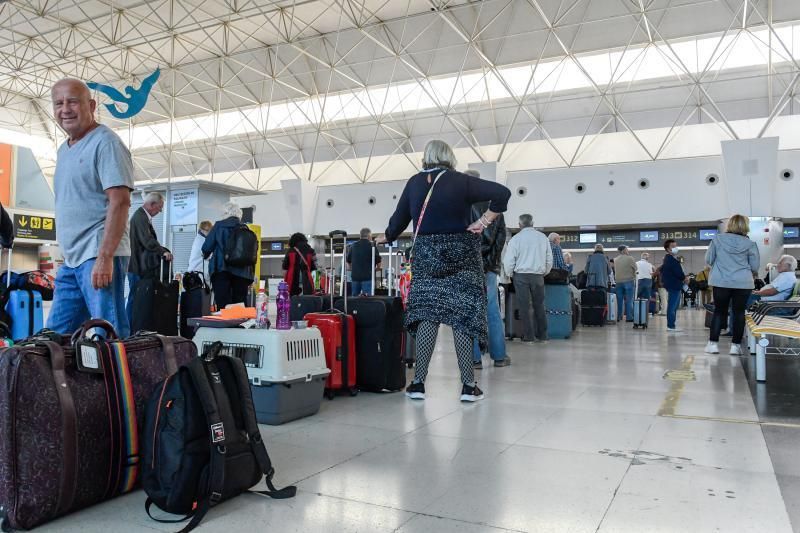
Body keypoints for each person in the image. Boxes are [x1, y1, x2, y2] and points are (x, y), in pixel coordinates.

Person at [382, 139, 511, 402]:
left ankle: (418, 384)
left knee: (428, 315)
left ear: (426, 157)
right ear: (448, 156)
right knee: (462, 317)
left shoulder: (414, 183)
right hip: (461, 255)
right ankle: (467, 387)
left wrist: (386, 236)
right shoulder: (460, 181)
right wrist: (483, 221)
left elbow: (396, 224)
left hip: (427, 257)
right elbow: (502, 193)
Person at [46, 79, 133, 338]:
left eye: (72, 101)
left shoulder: (106, 143)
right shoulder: (64, 150)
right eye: (58, 103)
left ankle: (121, 380)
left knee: (107, 335)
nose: (65, 109)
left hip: (98, 255)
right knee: (54, 339)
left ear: (91, 105)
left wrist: (105, 257)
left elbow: (120, 202)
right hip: (72, 262)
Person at [464, 169, 509, 369]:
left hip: (467, 266)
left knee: (469, 310)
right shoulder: (494, 205)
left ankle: (474, 359)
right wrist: (492, 262)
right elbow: (500, 238)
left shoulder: (461, 205)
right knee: (492, 310)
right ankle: (499, 356)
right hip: (489, 268)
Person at [704, 215, 760, 355]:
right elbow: (755, 266)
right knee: (739, 313)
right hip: (743, 282)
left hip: (721, 281)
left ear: (730, 225)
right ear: (746, 226)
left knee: (719, 311)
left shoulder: (717, 239)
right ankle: (735, 346)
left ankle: (713, 345)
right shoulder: (750, 243)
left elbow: (709, 259)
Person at [504, 214, 553, 344]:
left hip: (520, 276)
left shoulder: (515, 239)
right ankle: (543, 336)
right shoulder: (543, 238)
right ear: (533, 223)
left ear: (519, 225)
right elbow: (549, 259)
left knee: (524, 307)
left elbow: (509, 260)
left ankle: (528, 336)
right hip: (538, 276)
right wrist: (544, 272)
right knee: (539, 306)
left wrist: (510, 274)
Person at [127, 191, 172, 324]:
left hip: (137, 265)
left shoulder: (141, 217)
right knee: (134, 299)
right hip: (137, 266)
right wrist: (162, 251)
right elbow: (147, 240)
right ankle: (129, 329)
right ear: (152, 204)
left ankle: (130, 328)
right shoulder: (140, 217)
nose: (161, 210)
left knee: (135, 298)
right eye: (160, 207)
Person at [201, 202, 254, 309]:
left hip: (221, 270)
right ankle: (238, 325)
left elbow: (206, 247)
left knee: (224, 305)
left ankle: (226, 325)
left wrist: (205, 255)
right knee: (239, 305)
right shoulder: (245, 229)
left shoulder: (219, 226)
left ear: (225, 213)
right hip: (242, 273)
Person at [661, 239, 687, 332]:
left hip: (674, 285)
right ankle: (670, 326)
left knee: (674, 306)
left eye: (676, 246)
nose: (676, 248)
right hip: (674, 285)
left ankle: (672, 325)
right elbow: (678, 273)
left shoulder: (670, 259)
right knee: (672, 306)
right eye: (673, 246)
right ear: (668, 249)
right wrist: (684, 278)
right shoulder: (671, 260)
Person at [346, 228, 381, 296]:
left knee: (354, 299)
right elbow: (378, 261)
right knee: (368, 299)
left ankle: (354, 307)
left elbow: (348, 261)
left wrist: (350, 268)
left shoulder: (353, 246)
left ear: (360, 236)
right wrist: (377, 268)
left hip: (355, 277)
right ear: (369, 236)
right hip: (368, 277)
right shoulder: (372, 245)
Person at [614, 245, 637, 322]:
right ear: (623, 250)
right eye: (627, 249)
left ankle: (619, 316)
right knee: (629, 300)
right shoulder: (630, 258)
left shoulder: (615, 259)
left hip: (618, 282)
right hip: (628, 281)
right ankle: (629, 317)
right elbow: (636, 268)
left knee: (619, 300)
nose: (628, 251)